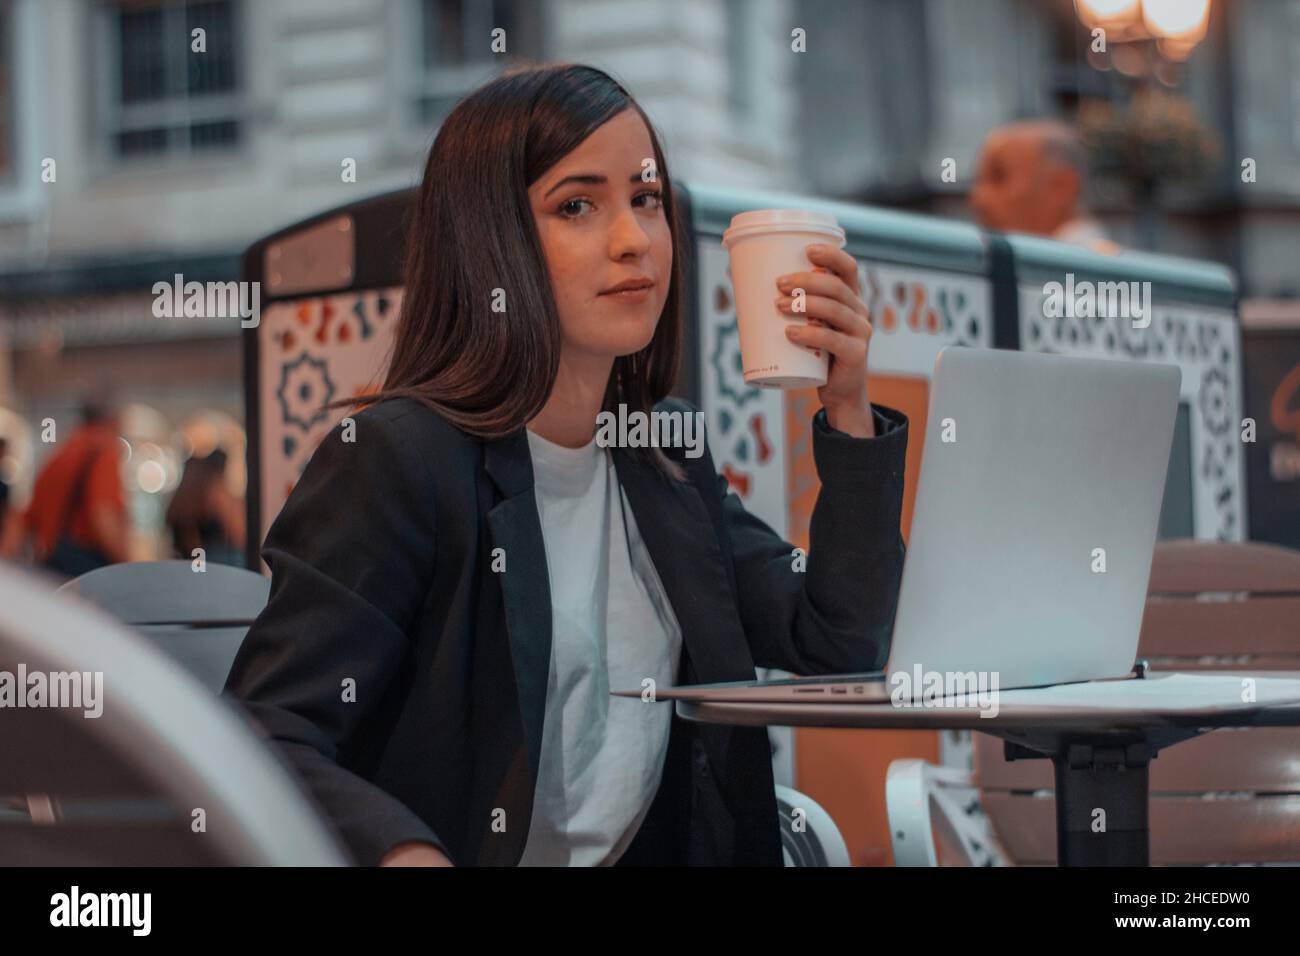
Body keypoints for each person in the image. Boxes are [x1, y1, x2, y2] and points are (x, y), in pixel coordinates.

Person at [222, 63, 909, 868]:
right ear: (491, 241)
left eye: (646, 198)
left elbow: (836, 642)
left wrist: (848, 410)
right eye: (577, 205)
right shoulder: (401, 459)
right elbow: (265, 735)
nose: (633, 240)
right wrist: (403, 852)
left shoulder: (661, 454)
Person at [11, 394, 130, 577]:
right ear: (112, 419)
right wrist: (128, 565)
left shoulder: (60, 454)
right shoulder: (104, 452)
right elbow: (103, 516)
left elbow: (22, 520)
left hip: (53, 568)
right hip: (88, 573)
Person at [970, 118, 1121, 255]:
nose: (979, 198)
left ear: (1062, 186)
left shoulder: (1087, 274)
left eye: (999, 177)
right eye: (978, 181)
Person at [165, 449, 245, 567]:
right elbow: (237, 534)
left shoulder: (182, 502)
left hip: (193, 565)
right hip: (215, 564)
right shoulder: (214, 494)